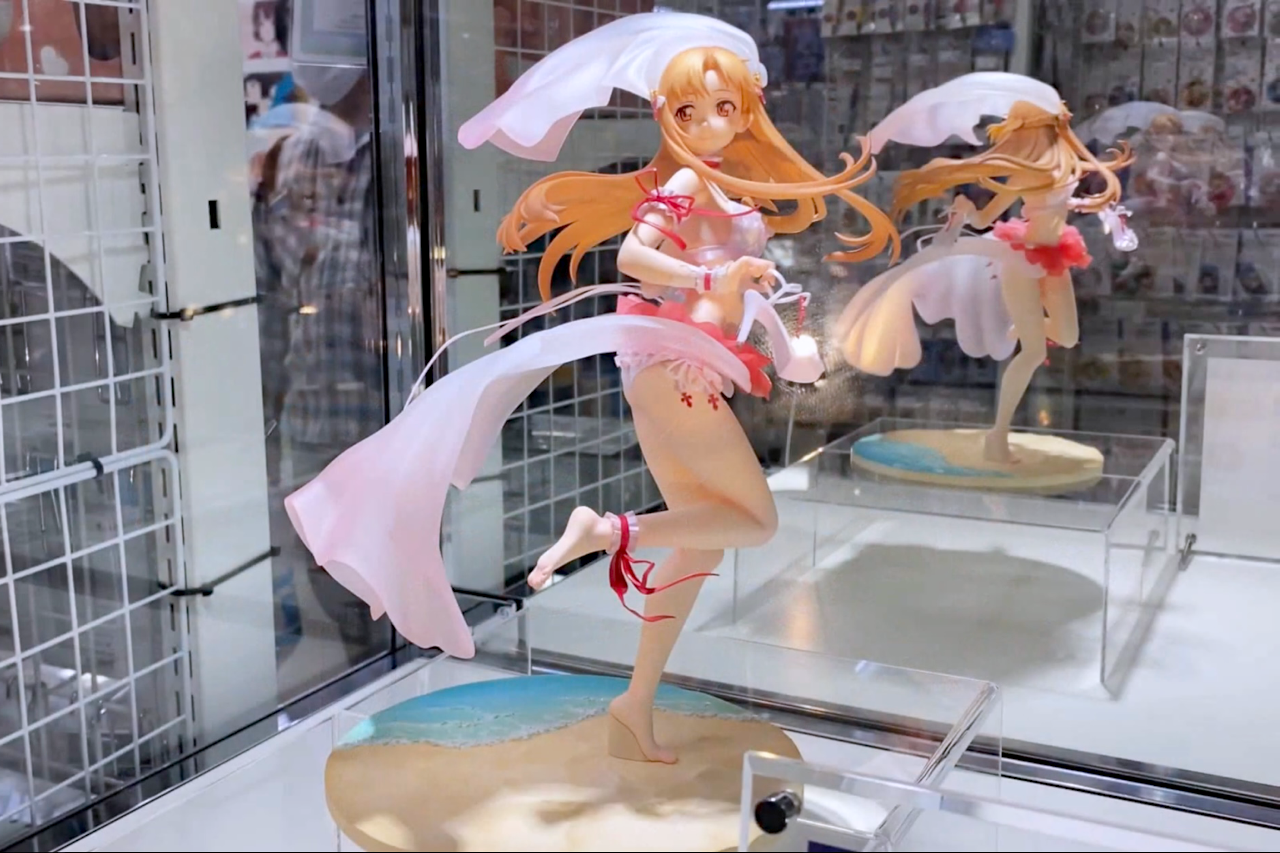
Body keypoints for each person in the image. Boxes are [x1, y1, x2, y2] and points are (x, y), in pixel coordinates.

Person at [284, 11, 898, 764]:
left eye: (724, 107)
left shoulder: (717, 181)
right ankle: (606, 532)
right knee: (756, 520)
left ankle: (634, 704)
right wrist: (713, 277)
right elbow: (635, 258)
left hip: (687, 364)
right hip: (674, 371)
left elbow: (719, 278)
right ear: (666, 115)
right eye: (690, 112)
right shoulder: (685, 180)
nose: (709, 123)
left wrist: (754, 307)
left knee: (701, 543)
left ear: (747, 109)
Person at [835, 72, 1135, 463]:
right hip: (1022, 259)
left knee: (1067, 335)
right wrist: (963, 211)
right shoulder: (1026, 171)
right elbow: (985, 217)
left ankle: (1017, 326)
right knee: (1031, 353)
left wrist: (1107, 215)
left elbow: (1065, 202)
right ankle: (998, 437)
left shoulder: (1063, 164)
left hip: (1056, 254)